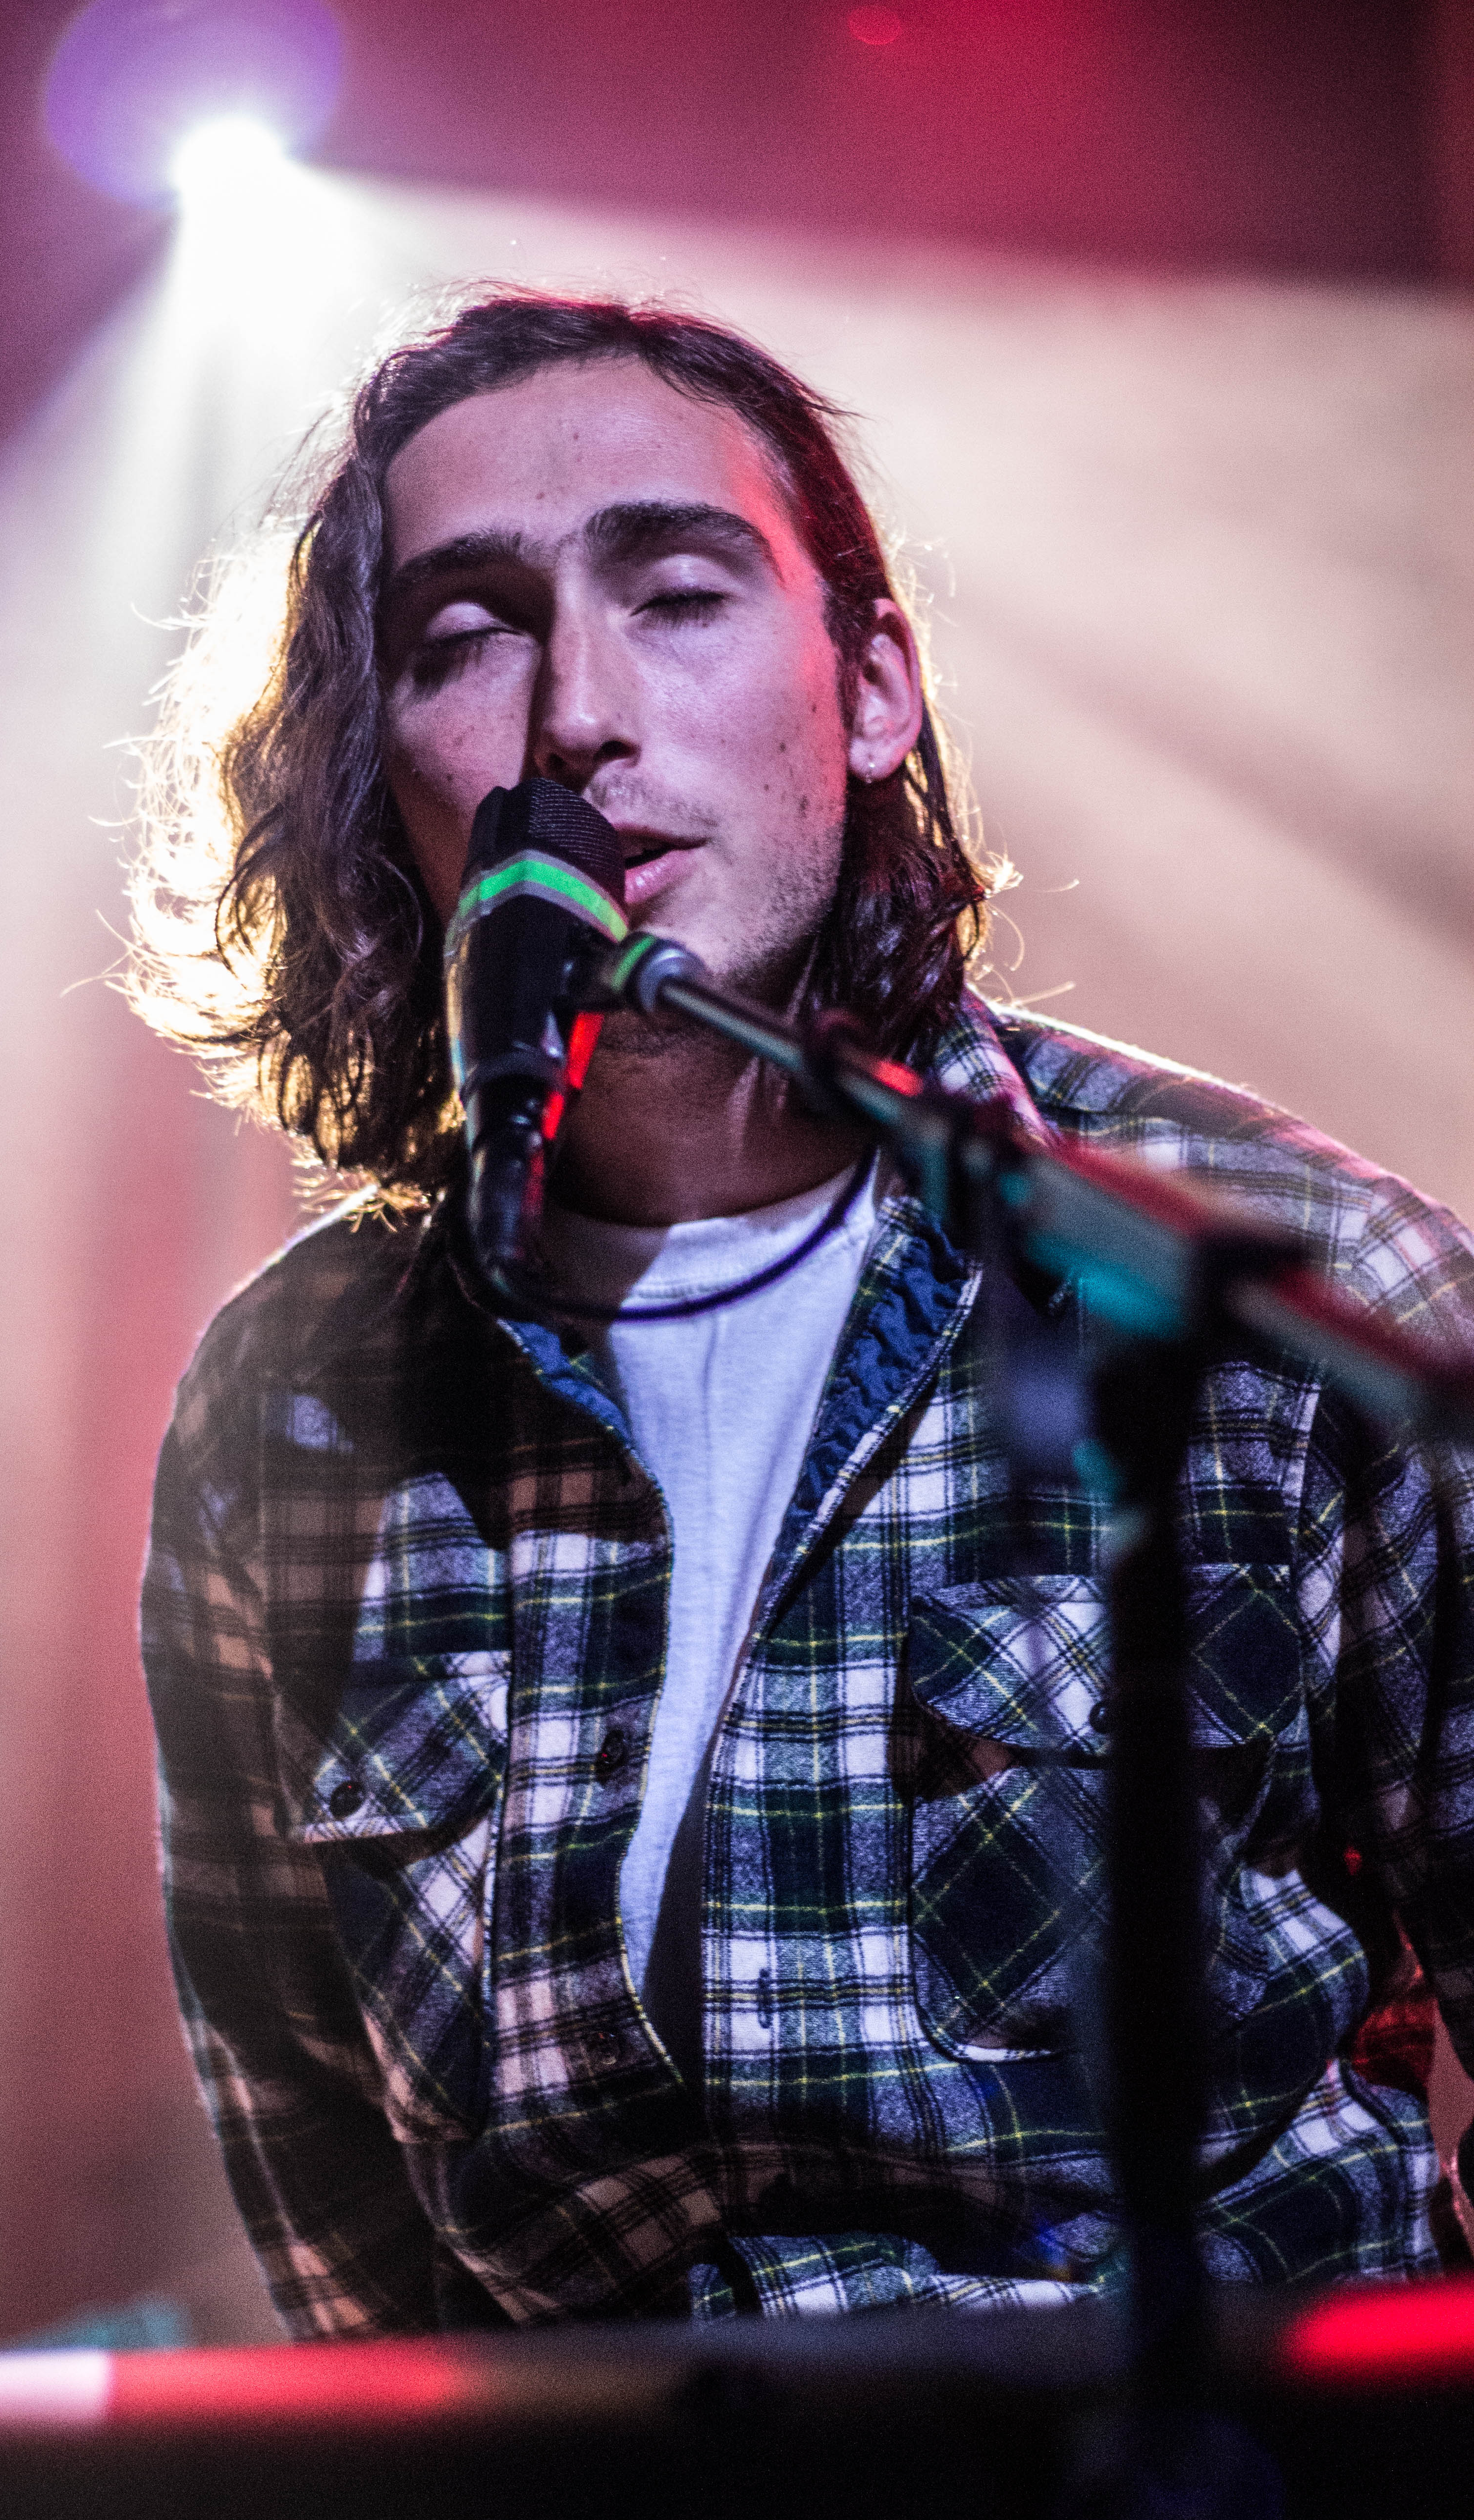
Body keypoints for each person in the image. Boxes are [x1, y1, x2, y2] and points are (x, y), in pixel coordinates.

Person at [132, 290, 1474, 2336]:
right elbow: (333, 2213)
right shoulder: (292, 1407)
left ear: (868, 690)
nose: (577, 715)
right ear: (376, 773)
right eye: (465, 636)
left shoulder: (1290, 1284)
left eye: (678, 595)